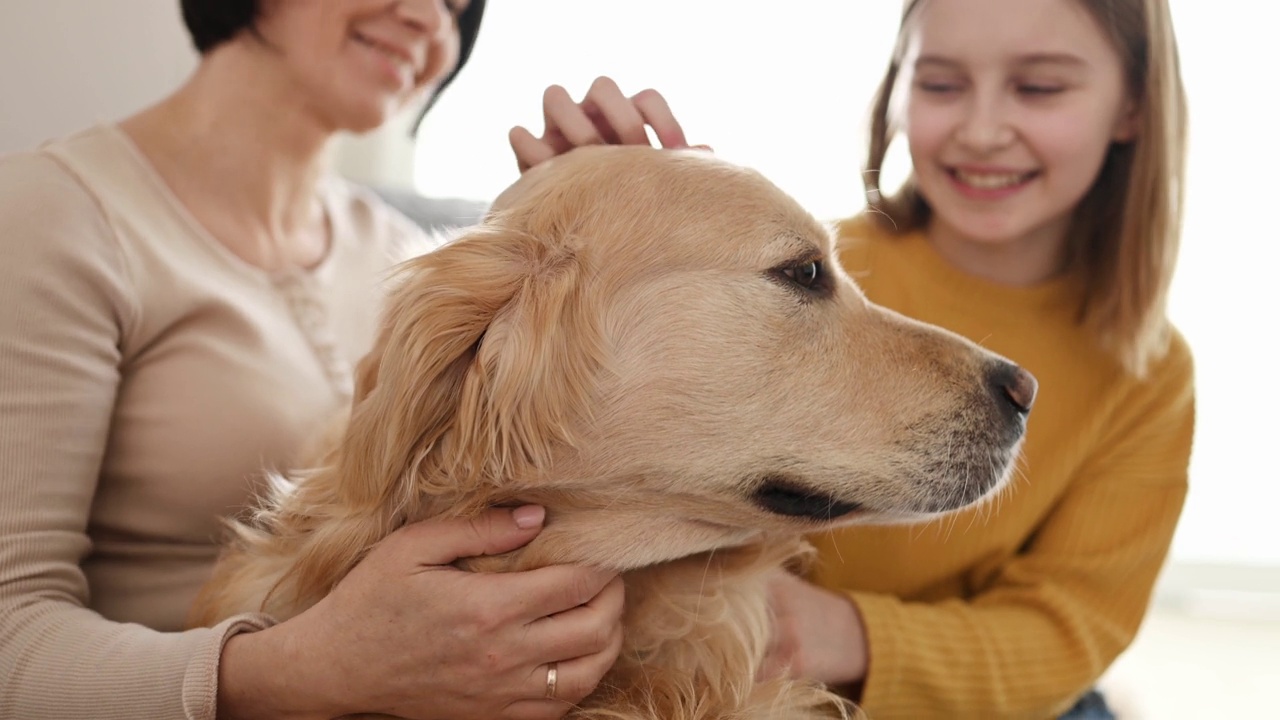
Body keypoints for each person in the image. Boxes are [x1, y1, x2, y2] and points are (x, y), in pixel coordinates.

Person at [0, 2, 693, 719]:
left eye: (458, 6)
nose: (430, 18)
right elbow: (7, 642)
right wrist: (312, 669)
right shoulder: (50, 214)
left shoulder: (404, 252)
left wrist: (611, 247)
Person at [757, 0, 1195, 718]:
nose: (982, 130)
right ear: (897, 88)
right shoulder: (799, 275)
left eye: (1040, 88)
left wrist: (845, 634)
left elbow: (1069, 627)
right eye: (939, 84)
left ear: (1133, 109)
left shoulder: (1152, 376)